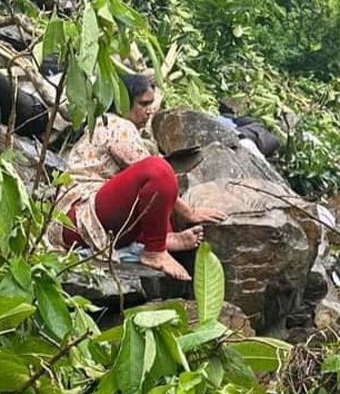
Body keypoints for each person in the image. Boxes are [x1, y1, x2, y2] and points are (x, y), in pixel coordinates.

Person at [49, 74, 226, 280]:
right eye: (143, 104)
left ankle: (162, 240)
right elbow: (155, 173)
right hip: (78, 219)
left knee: (158, 190)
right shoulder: (115, 124)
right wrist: (190, 213)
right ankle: (155, 252)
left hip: (84, 224)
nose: (150, 111)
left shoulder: (112, 125)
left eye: (151, 104)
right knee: (158, 170)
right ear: (123, 102)